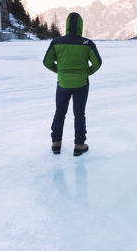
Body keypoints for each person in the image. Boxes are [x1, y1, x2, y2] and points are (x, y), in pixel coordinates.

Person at [43, 12, 102, 156]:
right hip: (81, 84)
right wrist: (87, 72)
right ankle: (79, 145)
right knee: (79, 114)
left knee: (60, 112)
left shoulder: (56, 42)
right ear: (80, 25)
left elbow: (46, 62)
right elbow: (97, 63)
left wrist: (60, 71)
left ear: (67, 25)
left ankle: (56, 144)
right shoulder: (87, 43)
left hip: (63, 83)